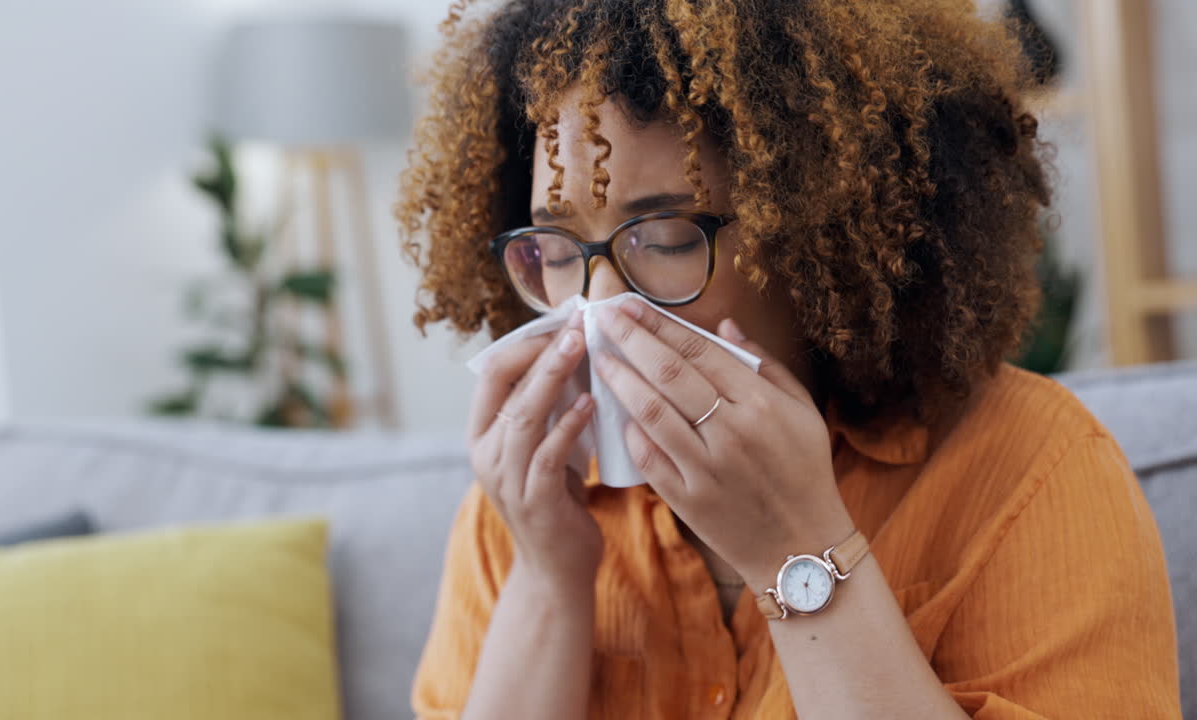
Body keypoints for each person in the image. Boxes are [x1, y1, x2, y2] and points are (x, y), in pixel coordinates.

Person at [393, 0, 1183, 717]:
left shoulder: (1030, 469)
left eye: (665, 238)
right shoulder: (527, 503)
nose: (597, 306)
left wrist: (797, 553)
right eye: (556, 247)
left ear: (816, 237)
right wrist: (545, 579)